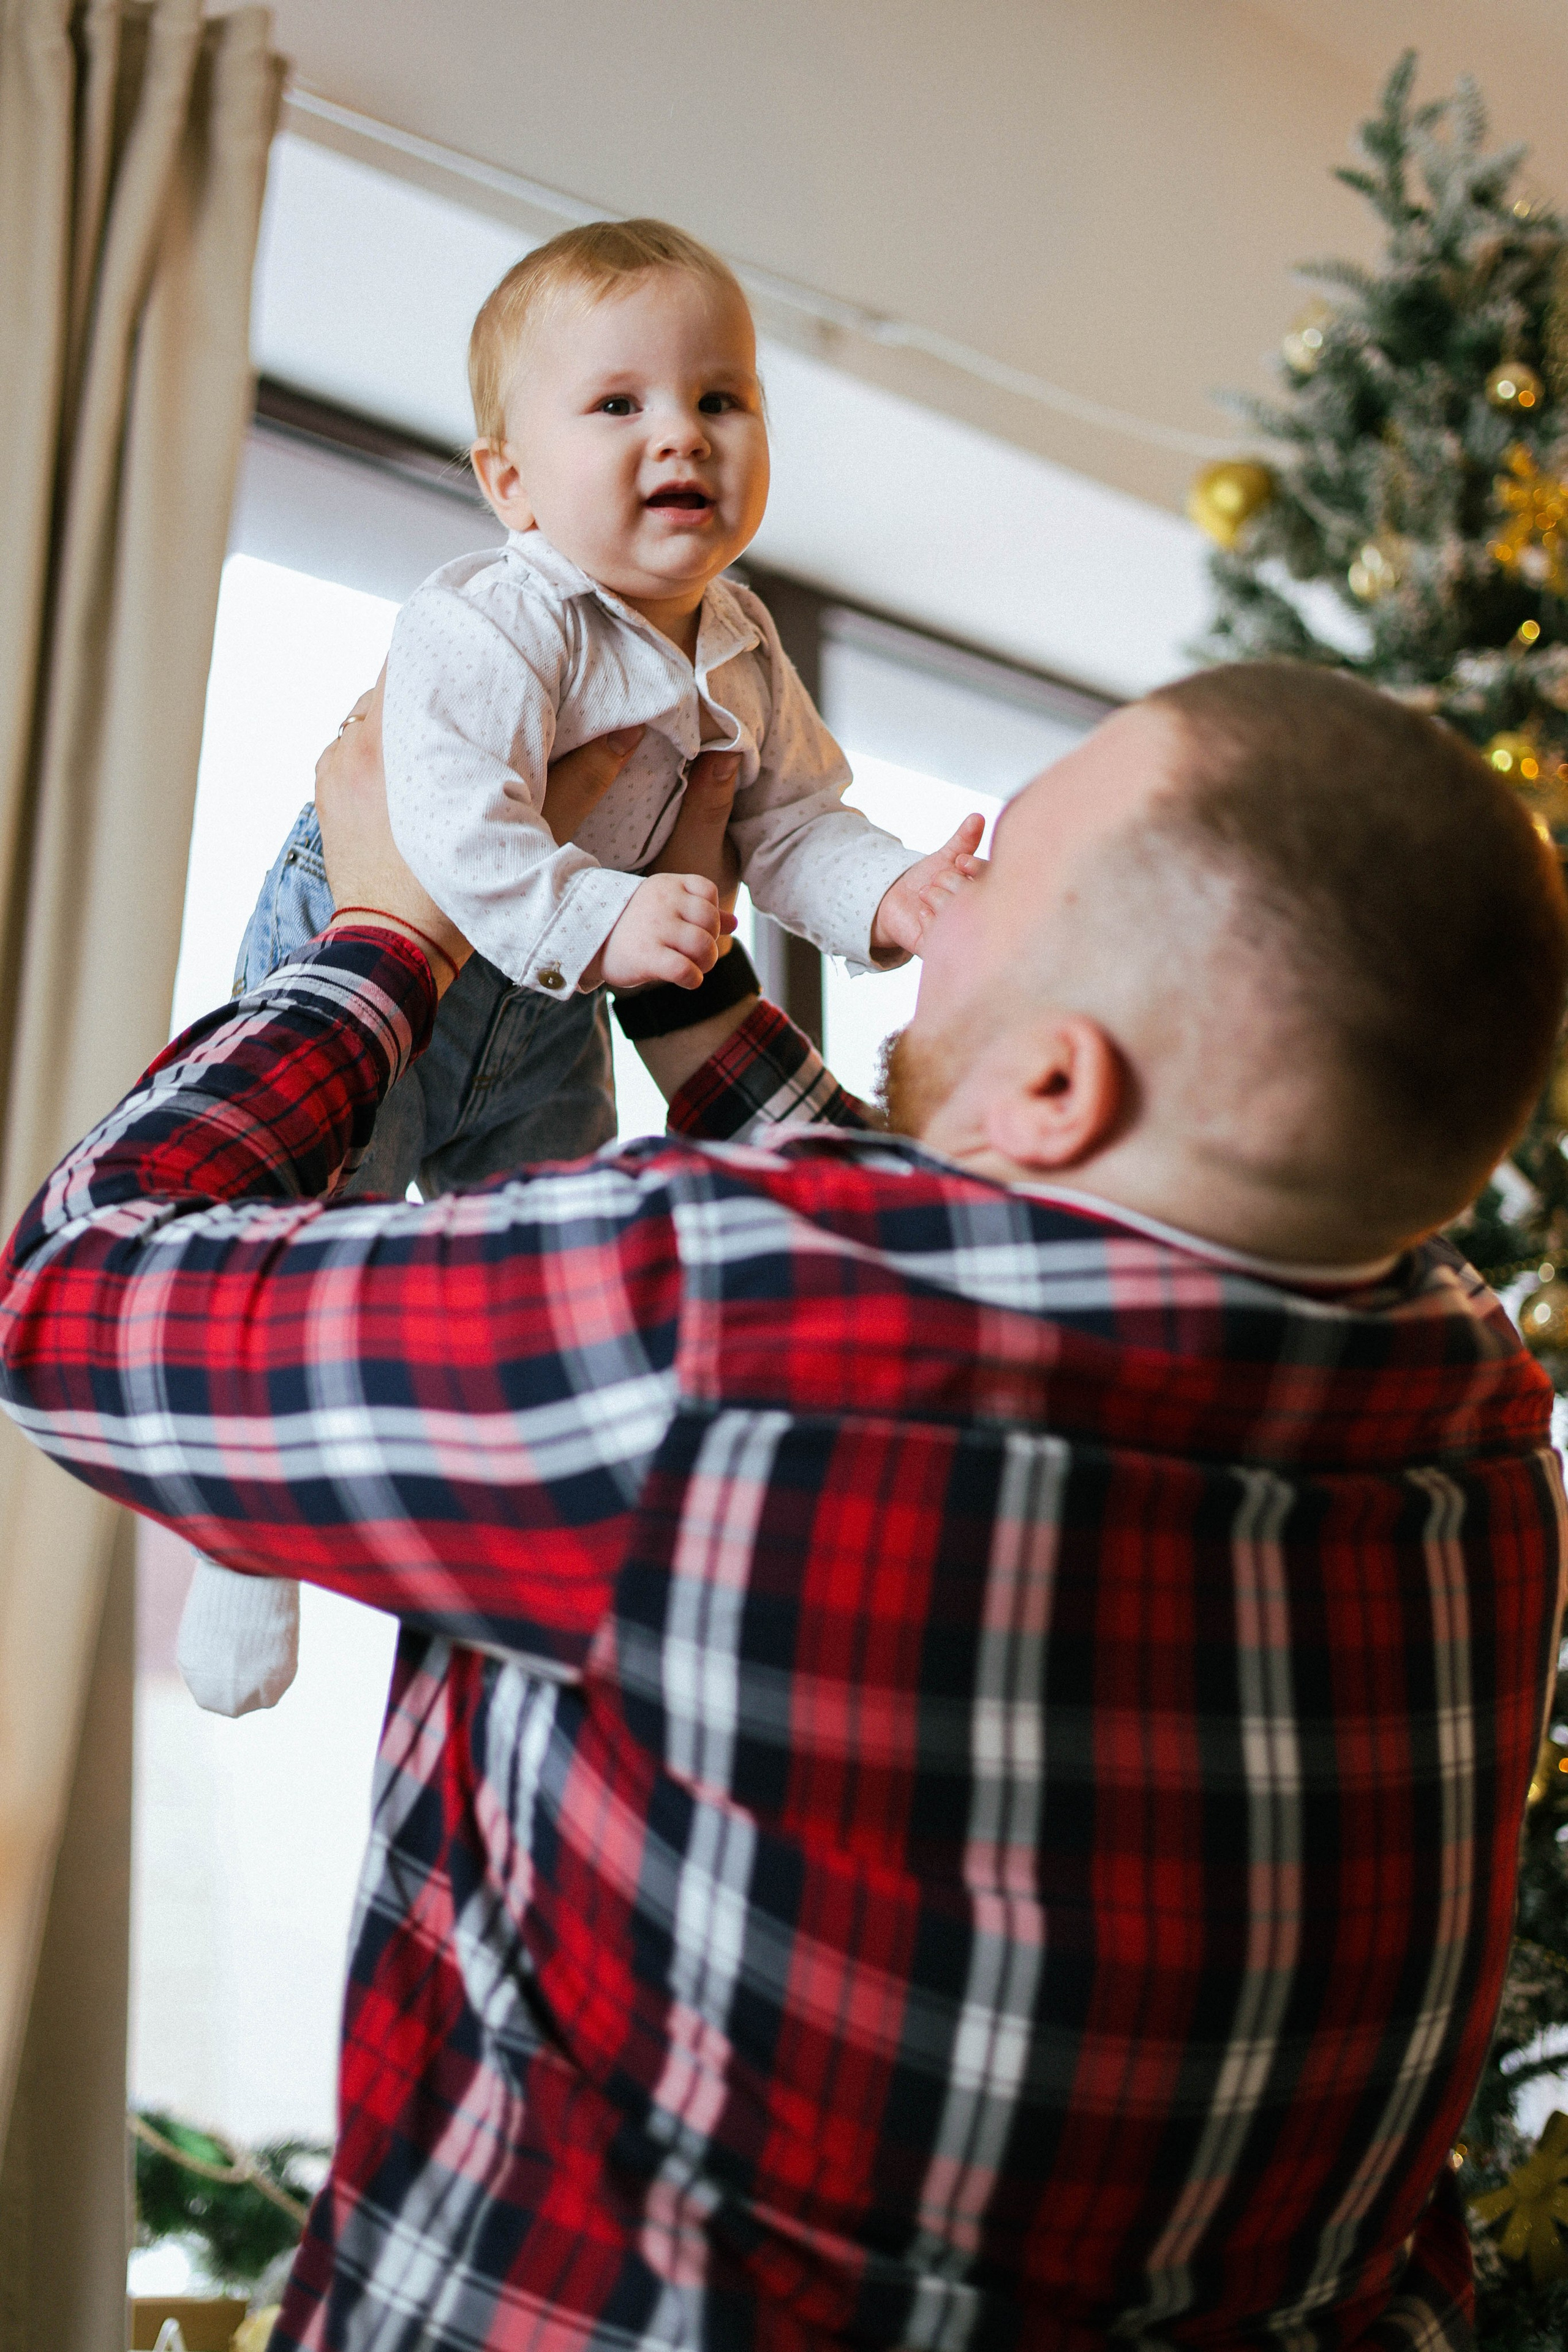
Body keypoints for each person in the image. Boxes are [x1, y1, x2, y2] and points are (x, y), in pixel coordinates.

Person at [3, 660, 1565, 2351]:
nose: (945, 881)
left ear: (1055, 1085)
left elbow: (78, 1299)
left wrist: (380, 936)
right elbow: (1018, 1265)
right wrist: (693, 1009)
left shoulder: (725, 1336)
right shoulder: (1476, 1428)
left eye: (997, 867)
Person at [178, 214, 980, 1720]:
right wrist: (607, 924)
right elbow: (441, 824)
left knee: (544, 1236)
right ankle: (245, 1522)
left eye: (719, 399)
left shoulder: (739, 640)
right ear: (509, 483)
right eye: (617, 405)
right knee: (322, 1224)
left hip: (555, 1000)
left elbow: (793, 822)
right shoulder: (494, 615)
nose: (679, 432)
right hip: (406, 955)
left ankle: (504, 1500)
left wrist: (892, 901)